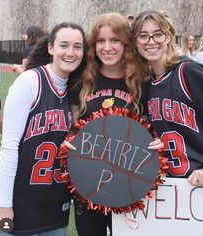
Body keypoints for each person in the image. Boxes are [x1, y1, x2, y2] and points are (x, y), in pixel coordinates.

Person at [59, 12, 163, 236]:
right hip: (89, 187)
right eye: (100, 41)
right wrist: (68, 145)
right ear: (93, 46)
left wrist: (158, 143)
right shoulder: (80, 83)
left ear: (126, 43)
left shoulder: (144, 84)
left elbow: (157, 129)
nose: (107, 47)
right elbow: (72, 129)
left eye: (115, 40)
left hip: (131, 186)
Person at [0, 22, 87, 235]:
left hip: (56, 205)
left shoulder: (76, 90)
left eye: (77, 46)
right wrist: (4, 203)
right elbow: (9, 147)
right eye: (64, 45)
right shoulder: (30, 82)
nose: (70, 52)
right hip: (21, 203)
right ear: (51, 48)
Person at [131, 10, 203, 187]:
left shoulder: (188, 72)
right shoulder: (146, 85)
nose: (151, 42)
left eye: (158, 34)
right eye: (143, 36)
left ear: (168, 37)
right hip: (172, 188)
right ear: (136, 42)